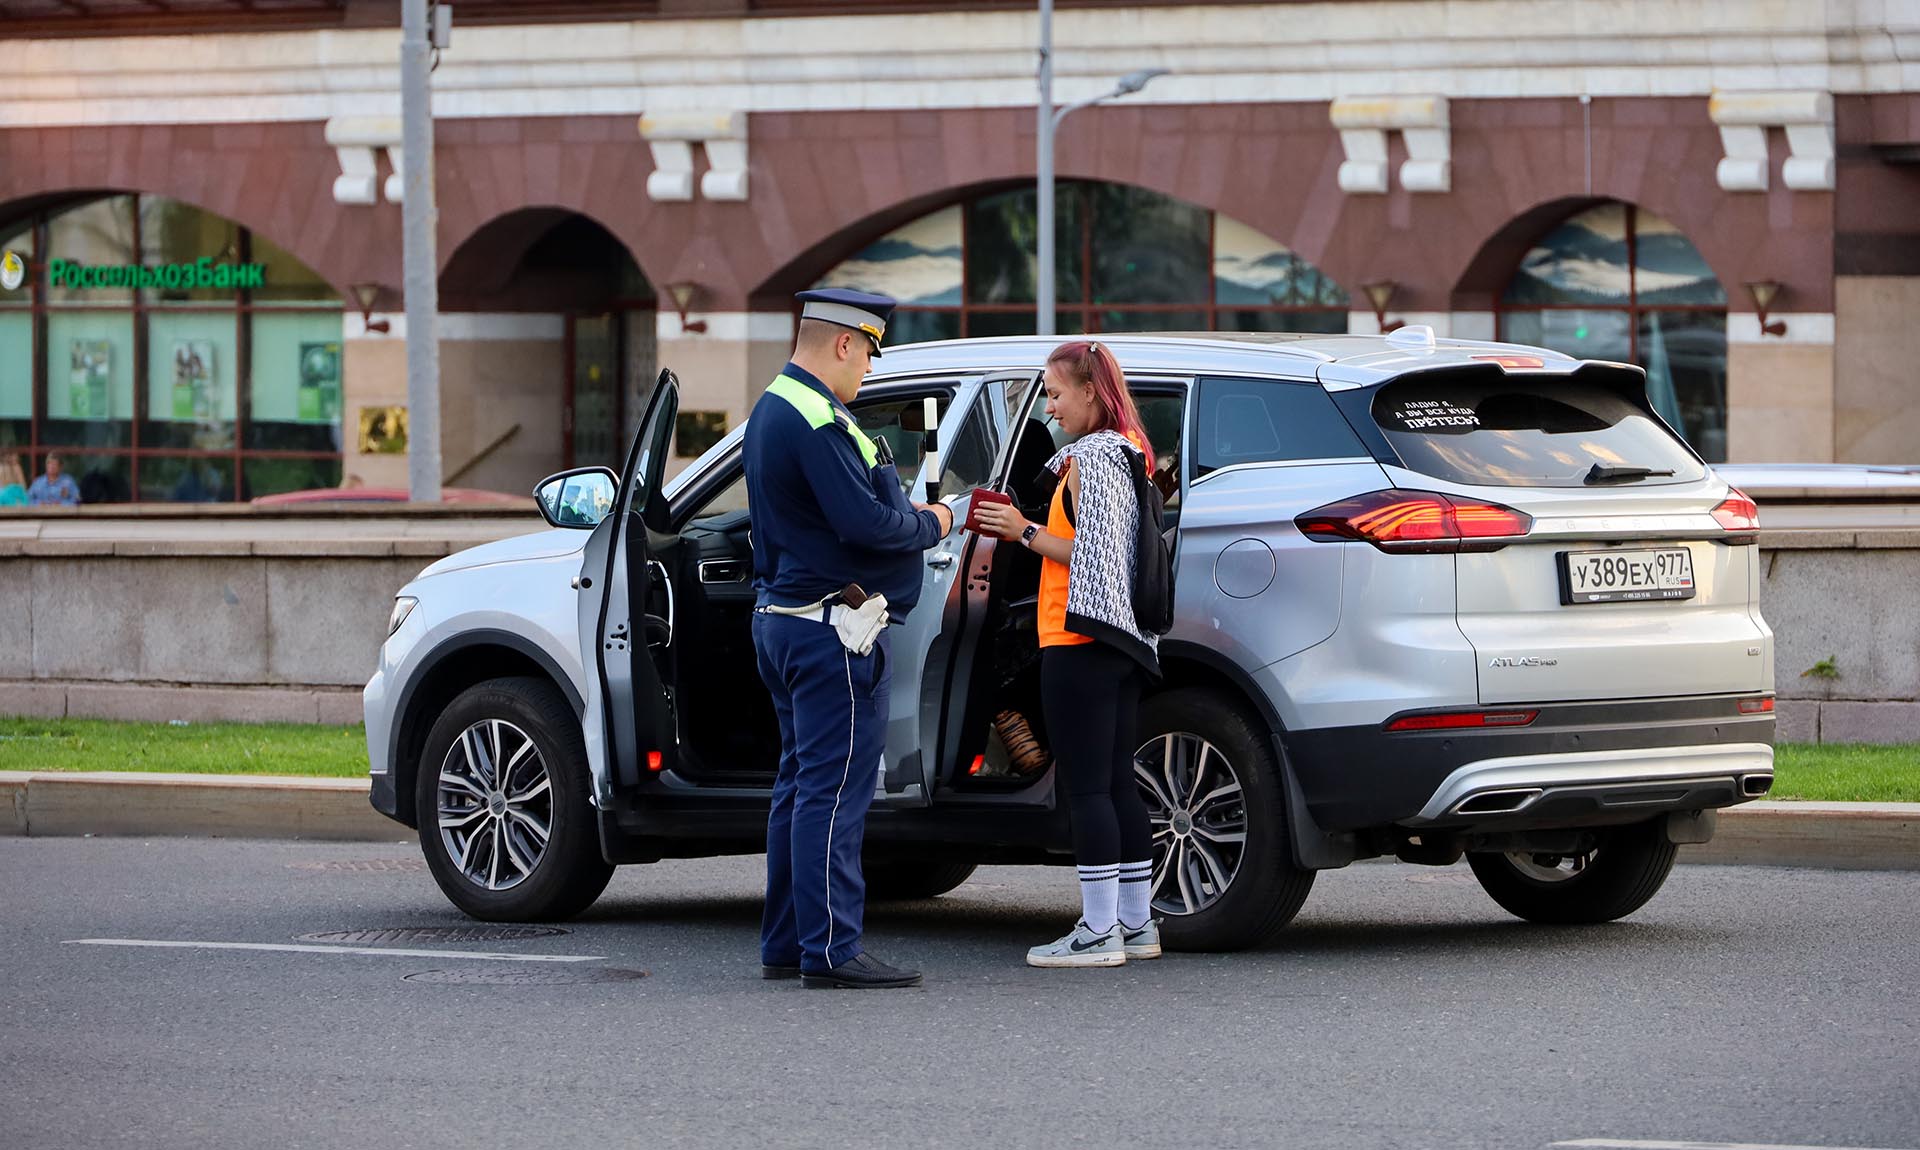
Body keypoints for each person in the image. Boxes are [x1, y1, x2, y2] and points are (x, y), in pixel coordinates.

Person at [745, 287, 955, 990]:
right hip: (832, 632)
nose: (868, 367)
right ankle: (831, 950)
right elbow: (865, 525)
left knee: (799, 789)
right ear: (843, 343)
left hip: (787, 623)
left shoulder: (778, 405)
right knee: (831, 795)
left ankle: (787, 943)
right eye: (867, 351)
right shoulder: (815, 418)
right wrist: (937, 522)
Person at [972, 340, 1163, 968]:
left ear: (1090, 393)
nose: (1049, 410)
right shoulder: (1133, 450)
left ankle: (1098, 932)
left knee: (1087, 789)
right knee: (1115, 783)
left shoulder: (1093, 457)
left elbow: (1094, 556)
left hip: (1080, 637)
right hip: (1123, 640)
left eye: (1055, 395)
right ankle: (1135, 926)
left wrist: (1021, 531)